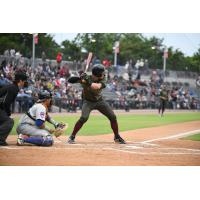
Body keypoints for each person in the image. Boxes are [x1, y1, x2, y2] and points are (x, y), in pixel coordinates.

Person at [67, 64, 126, 144]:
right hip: (88, 102)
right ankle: (72, 136)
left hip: (99, 101)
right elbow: (70, 80)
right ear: (98, 74)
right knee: (84, 118)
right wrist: (80, 78)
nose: (104, 74)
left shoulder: (103, 79)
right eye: (102, 73)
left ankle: (117, 136)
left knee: (112, 116)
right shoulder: (86, 78)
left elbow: (97, 86)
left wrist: (87, 81)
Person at [0, 72, 27, 146]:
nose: (25, 83)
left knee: (4, 120)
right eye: (24, 81)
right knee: (9, 121)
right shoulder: (13, 88)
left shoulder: (12, 87)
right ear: (20, 81)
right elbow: (5, 103)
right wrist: (8, 113)